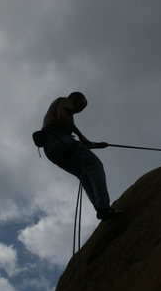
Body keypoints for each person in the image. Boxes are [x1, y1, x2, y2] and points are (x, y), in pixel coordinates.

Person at [40, 92, 121, 220]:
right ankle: (103, 207)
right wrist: (82, 136)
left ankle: (102, 210)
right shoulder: (65, 100)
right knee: (95, 166)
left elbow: (77, 145)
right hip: (60, 141)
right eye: (81, 105)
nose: (80, 110)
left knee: (85, 177)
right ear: (76, 98)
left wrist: (96, 145)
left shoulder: (53, 117)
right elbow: (62, 117)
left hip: (52, 151)